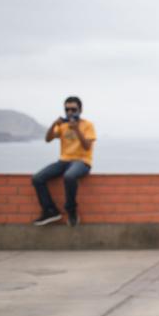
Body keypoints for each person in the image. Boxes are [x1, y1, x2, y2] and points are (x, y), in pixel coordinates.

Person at [32, 96, 97, 226]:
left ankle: (71, 211)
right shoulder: (63, 126)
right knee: (37, 178)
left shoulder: (88, 125)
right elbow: (48, 139)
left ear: (80, 110)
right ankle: (50, 211)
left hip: (82, 162)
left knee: (69, 176)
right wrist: (54, 124)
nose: (70, 112)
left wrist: (77, 129)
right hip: (63, 161)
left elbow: (87, 146)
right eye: (67, 109)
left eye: (73, 109)